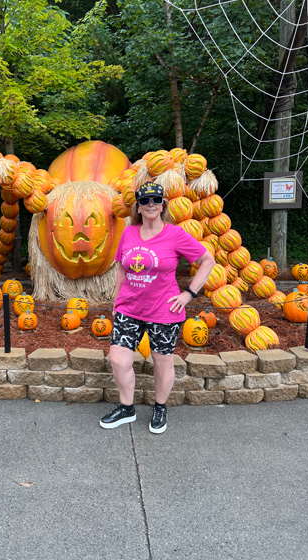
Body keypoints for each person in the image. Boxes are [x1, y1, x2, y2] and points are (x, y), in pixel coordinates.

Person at [100, 181, 215, 433]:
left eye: (155, 200)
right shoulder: (129, 233)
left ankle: (160, 406)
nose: (150, 204)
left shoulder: (175, 234)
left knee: (162, 362)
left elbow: (207, 260)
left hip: (164, 311)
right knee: (118, 360)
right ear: (138, 207)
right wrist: (116, 300)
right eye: (145, 201)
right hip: (128, 309)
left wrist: (188, 294)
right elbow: (121, 268)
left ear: (162, 205)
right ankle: (126, 408)